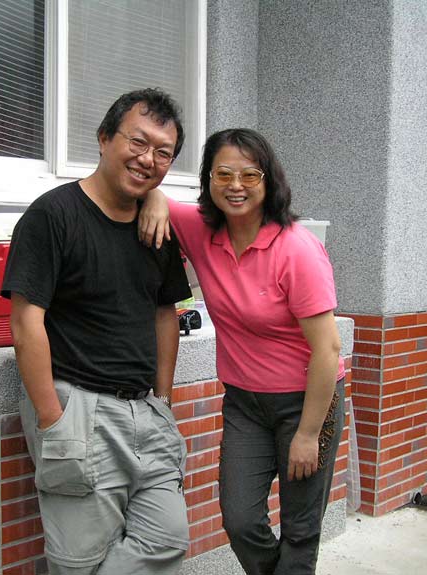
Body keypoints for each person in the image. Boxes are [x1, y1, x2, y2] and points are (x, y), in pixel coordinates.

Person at [1, 88, 192, 574]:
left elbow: (165, 312)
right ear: (105, 138)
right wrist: (52, 418)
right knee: (79, 561)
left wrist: (163, 400)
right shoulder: (52, 215)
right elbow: (26, 322)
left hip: (146, 411)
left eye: (164, 152)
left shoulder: (156, 227)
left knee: (167, 539)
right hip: (78, 409)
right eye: (138, 142)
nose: (148, 159)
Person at [139, 128, 345, 574]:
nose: (236, 185)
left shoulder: (296, 249)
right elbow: (154, 196)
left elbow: (328, 350)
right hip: (245, 404)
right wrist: (155, 198)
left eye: (250, 175)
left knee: (300, 529)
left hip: (307, 403)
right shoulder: (201, 230)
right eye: (223, 174)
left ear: (269, 180)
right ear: (208, 179)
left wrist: (308, 434)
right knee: (240, 520)